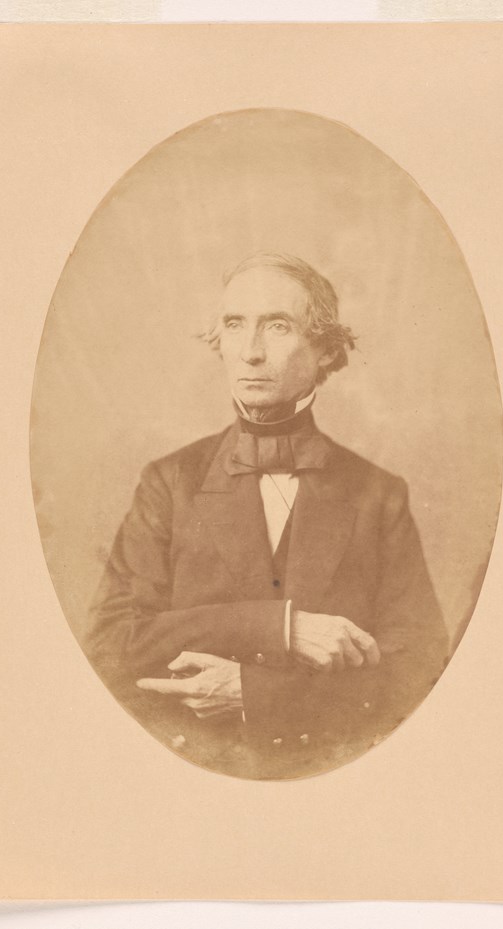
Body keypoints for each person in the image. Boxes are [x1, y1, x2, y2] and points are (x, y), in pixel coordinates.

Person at [85, 252, 449, 779]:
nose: (251, 353)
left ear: (325, 349)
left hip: (337, 774)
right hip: (181, 776)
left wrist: (259, 695)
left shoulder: (378, 496)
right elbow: (110, 648)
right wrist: (279, 628)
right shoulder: (169, 482)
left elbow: (418, 673)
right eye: (235, 325)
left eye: (277, 327)